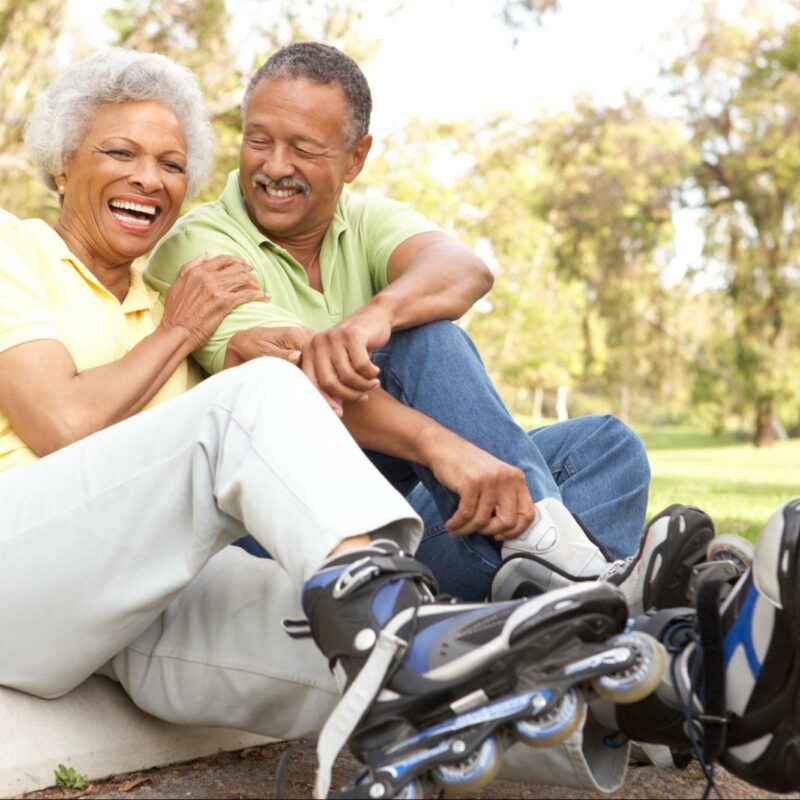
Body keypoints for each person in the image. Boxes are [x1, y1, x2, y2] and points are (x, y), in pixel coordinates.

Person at [0, 46, 687, 800]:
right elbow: (61, 423)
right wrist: (180, 332)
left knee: (424, 653)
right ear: (62, 163)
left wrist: (200, 328)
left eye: (169, 163)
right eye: (119, 152)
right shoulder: (23, 250)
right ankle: (573, 579)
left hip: (148, 590)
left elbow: (443, 283)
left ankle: (663, 681)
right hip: (26, 574)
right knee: (263, 394)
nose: (148, 178)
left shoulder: (167, 293)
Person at [145, 42, 704, 607]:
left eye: (303, 148)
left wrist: (372, 317)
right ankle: (582, 582)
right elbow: (290, 388)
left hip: (385, 530)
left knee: (606, 447)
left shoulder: (360, 220)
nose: (274, 166)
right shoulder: (201, 246)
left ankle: (544, 603)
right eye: (258, 139)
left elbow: (466, 271)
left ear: (354, 159)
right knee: (424, 346)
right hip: (272, 538)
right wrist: (443, 448)